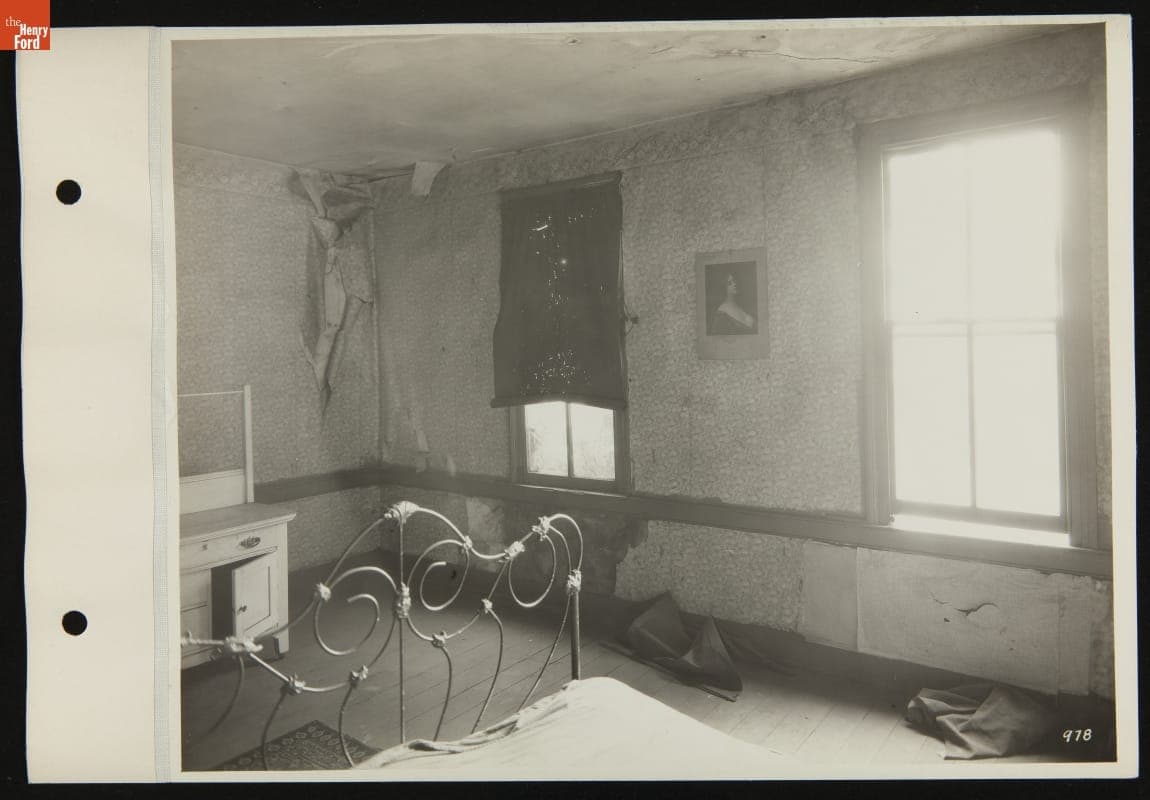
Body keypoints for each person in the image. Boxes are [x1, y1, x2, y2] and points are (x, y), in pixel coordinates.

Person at [709, 270, 755, 335]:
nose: (734, 284)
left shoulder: (742, 306)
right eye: (730, 283)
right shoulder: (721, 314)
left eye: (735, 281)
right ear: (725, 288)